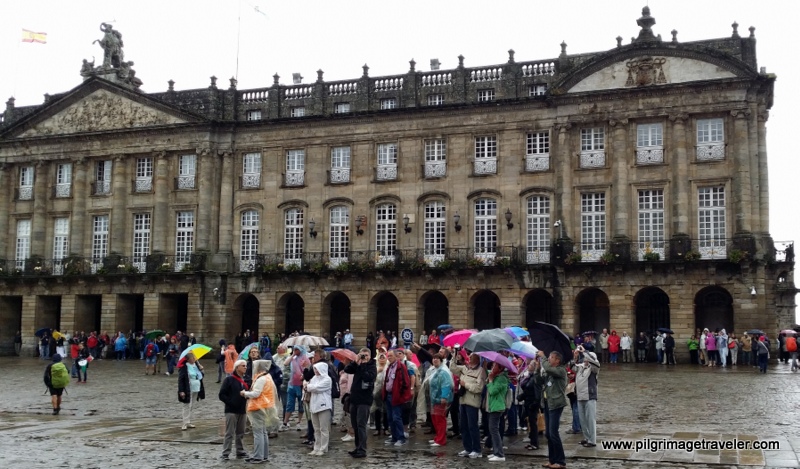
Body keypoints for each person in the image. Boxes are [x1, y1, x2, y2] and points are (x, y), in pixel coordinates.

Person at [535, 350, 567, 469]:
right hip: (548, 403)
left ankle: (561, 461)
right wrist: (538, 370)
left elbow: (548, 369)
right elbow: (538, 381)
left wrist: (542, 358)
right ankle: (552, 460)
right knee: (548, 433)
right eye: (549, 357)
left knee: (553, 433)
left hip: (556, 403)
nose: (549, 359)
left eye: (551, 357)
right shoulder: (549, 372)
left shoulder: (560, 370)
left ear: (557, 360)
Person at [343, 347, 377, 458]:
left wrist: (363, 365)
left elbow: (368, 377)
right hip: (354, 399)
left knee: (361, 425)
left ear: (370, 356)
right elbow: (347, 369)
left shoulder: (372, 366)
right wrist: (355, 361)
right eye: (362, 355)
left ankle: (362, 449)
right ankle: (357, 447)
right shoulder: (357, 364)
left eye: (366, 355)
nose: (364, 357)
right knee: (355, 425)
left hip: (365, 400)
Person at [242, 359, 277, 463]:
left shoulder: (261, 379)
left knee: (258, 433)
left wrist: (245, 393)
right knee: (263, 432)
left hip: (258, 407)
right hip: (266, 406)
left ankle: (258, 456)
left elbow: (256, 393)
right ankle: (264, 455)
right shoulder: (268, 376)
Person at [219, 359, 249, 460]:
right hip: (231, 410)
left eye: (245, 366)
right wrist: (231, 402)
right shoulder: (229, 380)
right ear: (237, 368)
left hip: (242, 410)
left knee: (241, 432)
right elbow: (222, 395)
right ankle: (225, 452)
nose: (245, 367)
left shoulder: (246, 380)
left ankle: (240, 450)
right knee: (229, 432)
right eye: (243, 366)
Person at [383, 349, 412, 447]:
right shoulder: (389, 367)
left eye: (390, 356)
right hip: (389, 395)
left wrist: (400, 394)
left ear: (396, 356)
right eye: (388, 356)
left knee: (396, 417)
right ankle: (394, 437)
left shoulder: (401, 367)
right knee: (390, 417)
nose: (389, 357)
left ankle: (401, 437)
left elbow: (405, 382)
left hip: (396, 396)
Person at [574, 347, 600, 447]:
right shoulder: (581, 367)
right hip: (580, 396)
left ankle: (592, 440)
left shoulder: (594, 368)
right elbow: (572, 366)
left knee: (590, 419)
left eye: (587, 359)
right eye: (584, 359)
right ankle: (587, 437)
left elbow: (594, 362)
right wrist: (575, 357)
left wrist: (584, 352)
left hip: (590, 396)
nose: (585, 360)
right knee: (582, 419)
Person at [305, 361, 333, 456]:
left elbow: (316, 388)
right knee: (316, 428)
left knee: (323, 429)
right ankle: (316, 447)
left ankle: (324, 448)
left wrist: (309, 387)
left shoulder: (327, 379)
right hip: (314, 406)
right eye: (315, 369)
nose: (315, 371)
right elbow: (309, 386)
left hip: (324, 406)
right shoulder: (314, 378)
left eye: (317, 369)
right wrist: (309, 387)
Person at [280, 345, 310, 430]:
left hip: (301, 385)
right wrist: (292, 355)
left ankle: (299, 422)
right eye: (294, 349)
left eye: (297, 349)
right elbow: (285, 363)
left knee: (301, 405)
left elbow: (308, 368)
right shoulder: (293, 358)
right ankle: (285, 422)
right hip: (292, 384)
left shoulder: (305, 358)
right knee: (289, 404)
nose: (296, 351)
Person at [485, 362, 509, 462]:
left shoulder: (502, 378)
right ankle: (496, 451)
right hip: (493, 406)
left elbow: (493, 391)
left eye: (495, 366)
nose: (492, 368)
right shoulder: (496, 376)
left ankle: (499, 454)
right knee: (493, 430)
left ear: (500, 368)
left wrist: (490, 381)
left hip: (497, 406)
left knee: (494, 430)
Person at [428, 354, 453, 448]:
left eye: (437, 358)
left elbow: (446, 384)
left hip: (440, 399)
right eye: (433, 358)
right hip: (434, 399)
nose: (435, 360)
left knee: (440, 419)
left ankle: (441, 440)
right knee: (435, 418)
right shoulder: (435, 371)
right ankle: (438, 437)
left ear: (441, 360)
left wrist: (444, 397)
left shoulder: (443, 372)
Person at [518, 359, 542, 451]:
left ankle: (535, 443)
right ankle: (532, 441)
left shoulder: (535, 378)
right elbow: (527, 389)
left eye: (530, 365)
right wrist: (522, 396)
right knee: (530, 423)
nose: (528, 366)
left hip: (532, 403)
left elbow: (537, 392)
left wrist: (535, 403)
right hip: (528, 402)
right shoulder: (530, 376)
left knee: (533, 423)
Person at [178, 352, 205, 430]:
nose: (194, 359)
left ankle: (189, 421)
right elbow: (181, 380)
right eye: (192, 358)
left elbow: (201, 376)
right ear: (188, 359)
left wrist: (202, 369)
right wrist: (181, 390)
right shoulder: (184, 367)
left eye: (194, 358)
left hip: (196, 387)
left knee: (192, 405)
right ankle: (185, 422)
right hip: (188, 388)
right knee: (186, 405)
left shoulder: (196, 365)